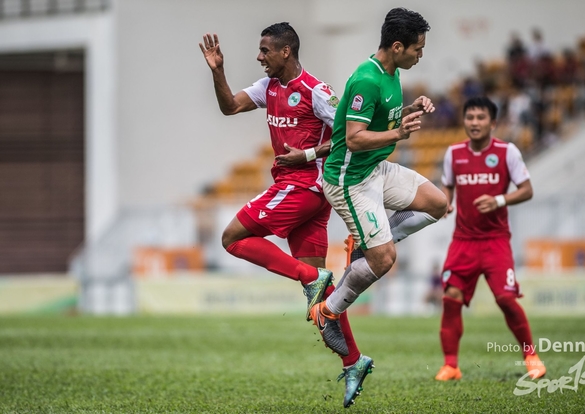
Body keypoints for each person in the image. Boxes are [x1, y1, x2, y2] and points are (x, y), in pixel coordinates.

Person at [199, 22, 372, 407]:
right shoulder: (269, 88)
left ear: (286, 51)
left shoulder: (315, 91)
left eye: (265, 50)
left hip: (303, 186)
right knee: (321, 301)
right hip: (302, 192)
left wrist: (307, 155)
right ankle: (354, 361)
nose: (259, 56)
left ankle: (311, 276)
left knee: (232, 238)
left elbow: (349, 137)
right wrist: (218, 71)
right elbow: (230, 106)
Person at [309, 7, 448, 361]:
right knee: (384, 259)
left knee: (438, 203)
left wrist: (409, 110)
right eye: (418, 49)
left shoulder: (392, 72)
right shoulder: (366, 79)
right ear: (397, 47)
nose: (420, 55)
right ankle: (328, 312)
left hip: (375, 169)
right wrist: (398, 133)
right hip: (349, 180)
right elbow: (354, 138)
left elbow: (382, 119)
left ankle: (366, 246)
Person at [435, 96, 546, 381]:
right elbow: (447, 187)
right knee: (451, 297)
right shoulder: (453, 153)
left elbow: (527, 190)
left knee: (506, 298)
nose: (474, 122)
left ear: (493, 123)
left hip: (495, 240)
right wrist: (445, 204)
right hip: (463, 240)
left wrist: (499, 200)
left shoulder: (507, 152)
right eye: (470, 117)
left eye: (480, 117)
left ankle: (531, 356)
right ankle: (451, 365)